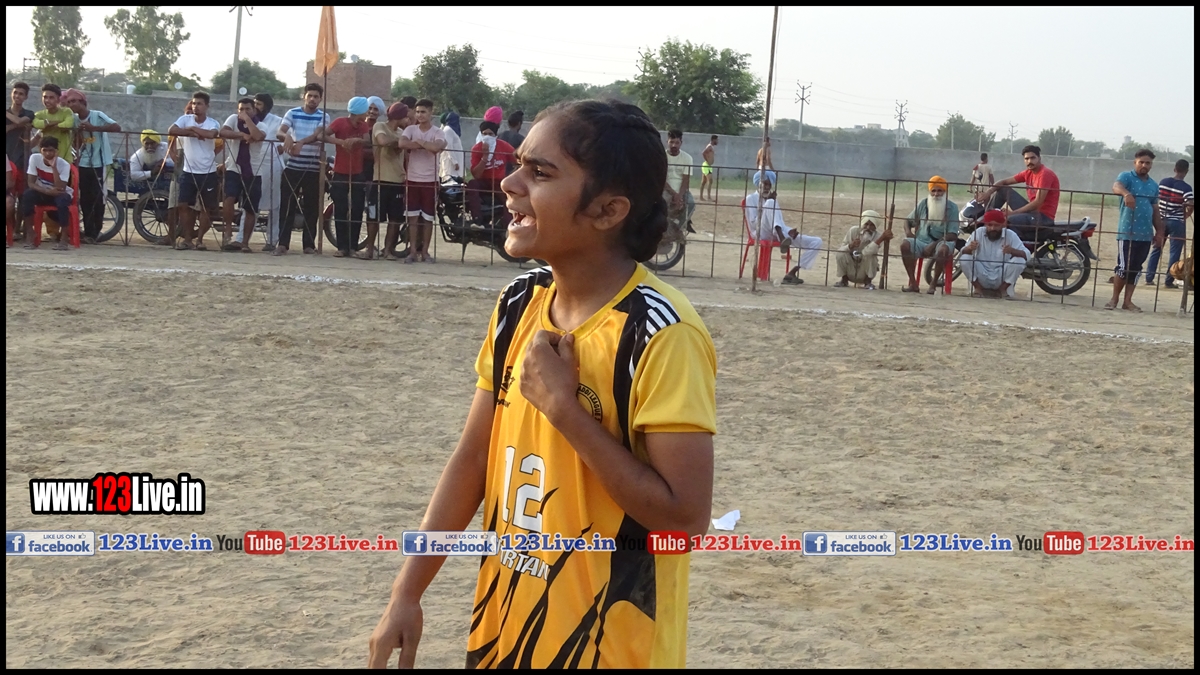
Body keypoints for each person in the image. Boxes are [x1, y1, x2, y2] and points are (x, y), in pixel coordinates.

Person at [368, 99, 716, 670]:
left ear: (607, 210)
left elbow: (684, 520)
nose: (510, 184)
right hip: (504, 633)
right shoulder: (520, 302)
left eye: (540, 173)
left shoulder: (661, 333)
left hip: (609, 650)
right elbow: (473, 458)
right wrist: (407, 591)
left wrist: (566, 411)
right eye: (519, 166)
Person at [1107, 149, 1165, 312]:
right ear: (1135, 163)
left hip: (1145, 234)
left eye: (1148, 163)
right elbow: (1116, 186)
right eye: (1141, 162)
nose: (1144, 165)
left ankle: (1127, 301)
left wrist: (1159, 232)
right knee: (1123, 267)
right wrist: (1126, 194)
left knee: (1136, 268)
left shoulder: (1153, 185)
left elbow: (1155, 210)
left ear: (1151, 165)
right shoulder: (1126, 177)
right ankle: (1114, 299)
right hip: (1127, 231)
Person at [277, 83, 331, 255]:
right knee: (287, 206)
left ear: (320, 99)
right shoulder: (292, 113)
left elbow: (317, 135)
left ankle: (308, 244)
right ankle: (282, 243)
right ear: (304, 96)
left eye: (316, 96)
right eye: (310, 96)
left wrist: (300, 142)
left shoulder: (324, 116)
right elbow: (280, 131)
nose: (313, 99)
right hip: (293, 166)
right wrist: (286, 137)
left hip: (313, 168)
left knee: (312, 208)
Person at [62, 89, 120, 245]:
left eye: (74, 101)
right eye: (69, 102)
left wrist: (94, 128)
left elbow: (116, 127)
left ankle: (95, 232)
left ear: (83, 102)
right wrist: (78, 134)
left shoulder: (97, 115)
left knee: (98, 198)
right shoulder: (74, 120)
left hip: (99, 162)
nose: (71, 104)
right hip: (83, 162)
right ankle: (88, 232)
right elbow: (76, 143)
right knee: (85, 199)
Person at [744, 170, 823, 285]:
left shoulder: (772, 199)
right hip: (760, 232)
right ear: (758, 184)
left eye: (769, 185)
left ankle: (792, 273)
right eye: (765, 184)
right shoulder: (751, 198)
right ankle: (782, 238)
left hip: (777, 232)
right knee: (770, 204)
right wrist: (767, 204)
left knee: (817, 242)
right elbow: (753, 223)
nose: (767, 187)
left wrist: (788, 231)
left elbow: (779, 221)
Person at [167, 91, 222, 250]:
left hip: (208, 171)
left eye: (199, 104)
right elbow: (172, 130)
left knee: (206, 207)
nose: (195, 106)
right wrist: (192, 131)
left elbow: (211, 134)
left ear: (207, 106)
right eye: (193, 103)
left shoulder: (212, 122)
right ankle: (187, 239)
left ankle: (200, 240)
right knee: (183, 205)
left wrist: (193, 129)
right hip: (188, 170)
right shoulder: (185, 119)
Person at [398, 99, 446, 263]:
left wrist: (419, 142)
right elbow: (402, 143)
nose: (420, 115)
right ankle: (412, 251)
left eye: (423, 112)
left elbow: (436, 147)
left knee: (428, 218)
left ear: (431, 112)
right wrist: (424, 145)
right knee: (412, 217)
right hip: (412, 179)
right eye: (417, 112)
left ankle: (425, 251)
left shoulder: (438, 132)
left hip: (430, 180)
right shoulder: (410, 129)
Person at [978, 145, 1060, 238]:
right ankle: (986, 218)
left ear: (1039, 158)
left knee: (1007, 220)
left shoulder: (1045, 174)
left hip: (1043, 217)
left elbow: (1038, 202)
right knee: (1003, 189)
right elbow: (1003, 182)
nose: (1029, 161)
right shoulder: (1028, 173)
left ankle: (1020, 244)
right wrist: (988, 192)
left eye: (1033, 158)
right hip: (1032, 212)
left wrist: (1013, 213)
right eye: (1026, 159)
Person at [218, 97, 268, 252]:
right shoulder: (233, 119)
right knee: (229, 198)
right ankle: (228, 229)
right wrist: (241, 135)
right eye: (241, 109)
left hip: (253, 170)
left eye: (247, 109)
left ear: (254, 110)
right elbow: (223, 132)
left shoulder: (261, 125)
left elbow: (258, 136)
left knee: (250, 207)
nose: (243, 112)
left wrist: (247, 120)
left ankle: (245, 242)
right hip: (234, 167)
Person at [900, 175, 960, 294]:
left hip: (942, 242)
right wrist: (908, 233)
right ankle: (913, 284)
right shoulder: (923, 203)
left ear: (945, 192)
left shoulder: (952, 207)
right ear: (930, 192)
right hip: (921, 240)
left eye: (940, 191)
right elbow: (907, 220)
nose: (936, 194)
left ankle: (933, 285)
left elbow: (953, 234)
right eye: (933, 191)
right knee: (904, 245)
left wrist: (933, 245)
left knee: (943, 250)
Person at [328, 96, 372, 257]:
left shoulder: (363, 125)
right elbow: (323, 136)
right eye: (365, 110)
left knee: (357, 209)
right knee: (340, 209)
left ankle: (353, 247)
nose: (367, 113)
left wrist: (356, 140)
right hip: (340, 172)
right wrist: (341, 142)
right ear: (359, 111)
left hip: (357, 173)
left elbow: (367, 141)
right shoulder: (339, 122)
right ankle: (342, 247)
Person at [959, 208, 1028, 299]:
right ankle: (978, 288)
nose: (992, 228)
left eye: (996, 225)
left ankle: (1002, 289)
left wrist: (1012, 251)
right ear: (985, 224)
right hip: (981, 273)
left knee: (1019, 261)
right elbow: (963, 252)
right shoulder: (979, 232)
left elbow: (1027, 255)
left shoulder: (1010, 235)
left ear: (1003, 225)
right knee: (965, 258)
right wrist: (970, 248)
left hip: (1002, 275)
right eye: (990, 225)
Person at [369, 102, 409, 261]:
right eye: (405, 117)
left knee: (395, 218)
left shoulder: (402, 132)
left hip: (397, 179)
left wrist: (398, 143)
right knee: (374, 217)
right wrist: (399, 143)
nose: (407, 120)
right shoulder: (380, 126)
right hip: (380, 178)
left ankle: (387, 250)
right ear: (400, 116)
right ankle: (369, 249)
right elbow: (382, 141)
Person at [21, 137, 73, 250]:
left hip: (59, 193)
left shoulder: (64, 165)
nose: (48, 153)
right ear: (40, 149)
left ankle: (64, 238)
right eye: (45, 150)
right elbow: (31, 183)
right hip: (43, 192)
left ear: (57, 151)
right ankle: (30, 233)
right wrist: (46, 191)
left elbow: (61, 188)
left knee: (63, 201)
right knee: (27, 195)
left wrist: (54, 167)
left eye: (51, 150)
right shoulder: (35, 158)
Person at [1147, 159, 1193, 288]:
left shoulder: (1163, 182)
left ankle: (1149, 277)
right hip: (1176, 221)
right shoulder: (1186, 187)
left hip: (1161, 219)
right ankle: (1168, 280)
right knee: (1174, 252)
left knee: (1157, 248)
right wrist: (1186, 215)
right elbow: (1191, 203)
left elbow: (1157, 198)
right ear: (1186, 171)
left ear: (1174, 169)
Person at [253, 93, 286, 252]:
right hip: (253, 166)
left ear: (266, 106)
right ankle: (241, 239)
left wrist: (274, 152)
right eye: (254, 104)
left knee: (274, 204)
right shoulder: (250, 121)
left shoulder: (278, 121)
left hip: (272, 166)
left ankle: (272, 240)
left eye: (258, 104)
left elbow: (286, 142)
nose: (255, 107)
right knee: (250, 202)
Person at [467, 117, 516, 225]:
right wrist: (485, 157)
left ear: (495, 135)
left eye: (490, 134)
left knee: (508, 197)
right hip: (483, 181)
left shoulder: (503, 146)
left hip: (498, 181)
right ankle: (477, 219)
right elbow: (476, 175)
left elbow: (517, 158)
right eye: (484, 134)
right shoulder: (477, 148)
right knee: (471, 184)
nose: (487, 137)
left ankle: (507, 225)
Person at [833, 209, 892, 289]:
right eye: (866, 224)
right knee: (841, 253)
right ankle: (844, 280)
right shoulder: (853, 231)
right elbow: (841, 249)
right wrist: (851, 246)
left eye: (872, 225)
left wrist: (881, 239)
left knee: (870, 255)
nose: (868, 227)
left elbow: (867, 252)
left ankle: (868, 282)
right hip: (850, 269)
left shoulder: (879, 237)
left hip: (865, 272)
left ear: (876, 226)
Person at [32, 84, 75, 164]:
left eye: (51, 97)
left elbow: (68, 124)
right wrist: (54, 123)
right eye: (45, 97)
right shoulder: (39, 114)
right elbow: (35, 123)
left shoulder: (66, 112)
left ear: (58, 99)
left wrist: (47, 125)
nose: (47, 100)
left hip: (64, 159)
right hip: (46, 160)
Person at [664, 128, 695, 234]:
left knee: (691, 203)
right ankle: (663, 228)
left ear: (681, 143)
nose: (674, 145)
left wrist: (680, 196)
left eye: (677, 142)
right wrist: (674, 195)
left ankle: (677, 229)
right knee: (663, 202)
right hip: (666, 189)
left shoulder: (687, 158)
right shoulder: (662, 156)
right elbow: (662, 179)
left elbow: (686, 180)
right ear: (667, 142)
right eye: (671, 142)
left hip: (681, 189)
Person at [7, 82, 35, 171]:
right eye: (15, 92)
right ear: (11, 94)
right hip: (7, 154)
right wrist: (20, 125)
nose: (17, 96)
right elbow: (19, 123)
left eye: (21, 94)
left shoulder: (29, 113)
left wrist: (11, 126)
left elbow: (19, 121)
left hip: (23, 156)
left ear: (26, 97)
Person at [438, 110, 464, 182]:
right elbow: (448, 146)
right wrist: (454, 162)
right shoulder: (447, 130)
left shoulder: (452, 130)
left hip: (457, 159)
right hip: (450, 162)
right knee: (450, 180)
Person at [699, 134, 717, 201]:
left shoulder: (711, 147)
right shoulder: (709, 146)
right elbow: (703, 153)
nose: (717, 141)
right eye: (716, 140)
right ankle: (709, 197)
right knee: (710, 180)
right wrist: (707, 160)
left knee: (704, 181)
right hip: (707, 165)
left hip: (708, 166)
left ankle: (701, 197)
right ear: (713, 140)